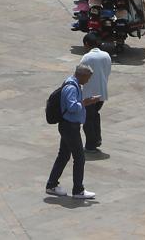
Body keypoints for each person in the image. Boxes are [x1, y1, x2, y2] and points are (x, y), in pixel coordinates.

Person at [44, 64, 100, 199]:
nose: (88, 81)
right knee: (79, 158)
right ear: (80, 75)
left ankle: (51, 185)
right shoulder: (71, 87)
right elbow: (72, 107)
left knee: (63, 156)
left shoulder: (73, 84)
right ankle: (78, 190)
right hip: (70, 127)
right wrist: (87, 102)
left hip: (68, 126)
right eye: (87, 78)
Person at [80, 32, 111, 153]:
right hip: (102, 92)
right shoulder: (106, 56)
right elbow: (107, 72)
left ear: (87, 44)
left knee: (88, 118)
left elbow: (81, 75)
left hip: (88, 93)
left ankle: (91, 145)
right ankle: (97, 139)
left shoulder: (87, 57)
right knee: (95, 115)